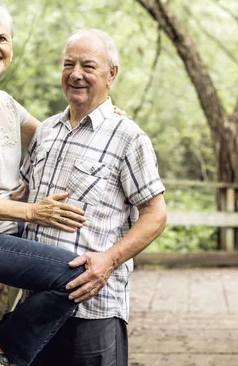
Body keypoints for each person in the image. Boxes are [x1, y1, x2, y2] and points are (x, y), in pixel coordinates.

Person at [0, 3, 102, 366]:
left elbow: (57, 137)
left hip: (4, 230)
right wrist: (33, 211)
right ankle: (3, 345)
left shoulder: (6, 105)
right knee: (79, 272)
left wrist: (102, 111)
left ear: (10, 46)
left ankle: (5, 344)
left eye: (1, 38)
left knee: (80, 266)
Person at [18, 29, 168, 366]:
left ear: (111, 74)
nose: (76, 74)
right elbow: (21, 200)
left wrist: (109, 261)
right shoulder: (46, 133)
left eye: (88, 66)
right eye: (68, 65)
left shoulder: (128, 137)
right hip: (36, 307)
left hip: (94, 307)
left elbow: (156, 214)